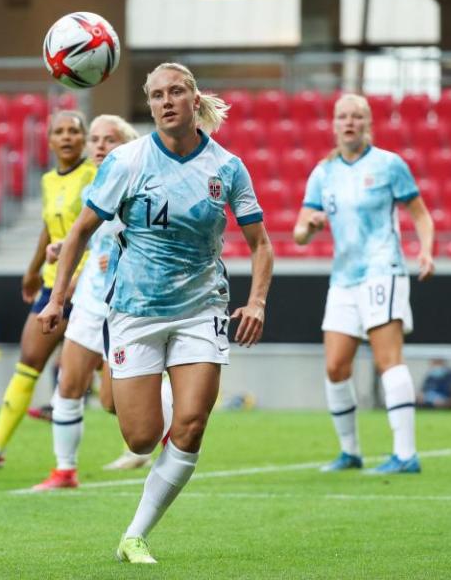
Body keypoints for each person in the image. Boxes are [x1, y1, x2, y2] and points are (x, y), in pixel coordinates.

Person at [37, 63, 273, 563]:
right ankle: (153, 400)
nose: (167, 101)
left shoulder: (227, 167)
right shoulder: (126, 161)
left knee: (190, 424)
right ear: (150, 105)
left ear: (194, 98)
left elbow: (261, 244)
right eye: (158, 95)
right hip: (135, 311)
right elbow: (79, 231)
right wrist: (58, 299)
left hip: (202, 308)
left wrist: (255, 301)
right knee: (141, 437)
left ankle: (135, 534)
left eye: (177, 92)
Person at [293, 93, 435, 475]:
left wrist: (425, 250)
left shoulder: (389, 165)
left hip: (382, 270)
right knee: (336, 367)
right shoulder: (323, 172)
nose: (349, 122)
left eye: (357, 116)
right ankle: (350, 452)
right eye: (343, 116)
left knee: (389, 360)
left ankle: (406, 455)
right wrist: (310, 226)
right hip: (343, 278)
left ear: (368, 123)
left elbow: (420, 214)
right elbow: (299, 232)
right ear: (334, 124)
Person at [32, 114, 174, 490]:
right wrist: (63, 249)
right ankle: (65, 471)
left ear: (126, 146)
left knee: (114, 403)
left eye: (108, 139)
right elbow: (93, 240)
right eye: (94, 139)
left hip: (126, 307)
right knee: (68, 384)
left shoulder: (141, 184)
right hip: (91, 302)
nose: (98, 146)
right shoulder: (90, 190)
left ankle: (172, 413)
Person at [0, 111, 97, 467]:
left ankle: (153, 433)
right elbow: (47, 229)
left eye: (74, 131)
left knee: (98, 377)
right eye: (60, 132)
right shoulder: (50, 180)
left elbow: (98, 231)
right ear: (50, 141)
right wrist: (33, 269)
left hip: (87, 287)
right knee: (29, 360)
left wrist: (79, 281)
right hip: (53, 285)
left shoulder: (94, 176)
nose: (67, 137)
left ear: (84, 139)